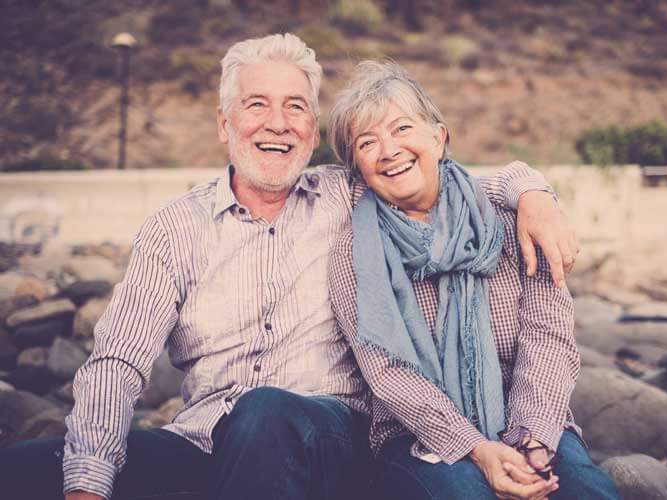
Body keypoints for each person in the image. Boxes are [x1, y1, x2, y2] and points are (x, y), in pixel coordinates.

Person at [0, 34, 579, 500]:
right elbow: (119, 360)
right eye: (257, 105)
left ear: (311, 131)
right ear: (225, 125)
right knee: (26, 470)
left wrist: (532, 191)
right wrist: (87, 483)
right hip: (205, 437)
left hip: (329, 436)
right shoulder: (174, 228)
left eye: (295, 107)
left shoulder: (346, 195)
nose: (277, 123)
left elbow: (436, 177)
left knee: (266, 413)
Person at [327, 61, 620, 500]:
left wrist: (533, 440)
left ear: (439, 137)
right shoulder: (354, 253)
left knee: (586, 493)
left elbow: (549, 337)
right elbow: (387, 374)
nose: (388, 150)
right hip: (418, 435)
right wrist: (477, 448)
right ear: (358, 168)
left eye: (402, 128)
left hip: (529, 417)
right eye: (368, 142)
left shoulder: (511, 217)